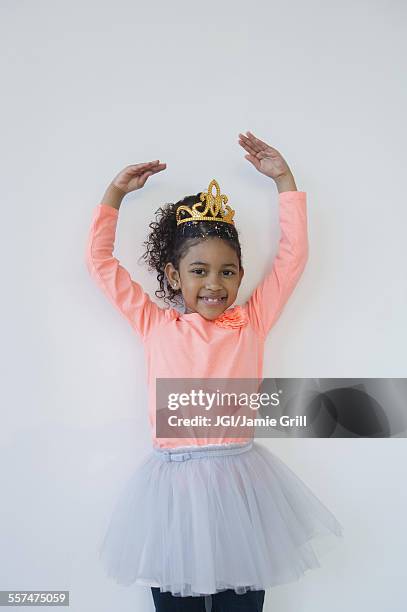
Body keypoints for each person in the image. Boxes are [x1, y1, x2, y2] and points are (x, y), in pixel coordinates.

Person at [85, 131, 344, 611]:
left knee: (241, 601)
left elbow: (293, 258)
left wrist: (285, 181)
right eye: (199, 270)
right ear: (172, 275)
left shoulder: (252, 322)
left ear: (242, 276)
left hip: (241, 487)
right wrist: (114, 195)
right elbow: (100, 264)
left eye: (227, 272)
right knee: (174, 599)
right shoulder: (154, 325)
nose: (214, 283)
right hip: (173, 492)